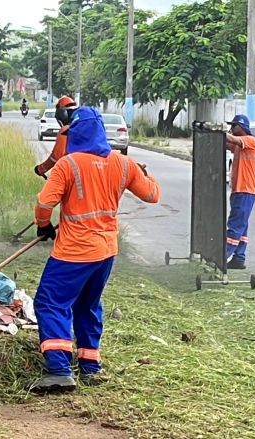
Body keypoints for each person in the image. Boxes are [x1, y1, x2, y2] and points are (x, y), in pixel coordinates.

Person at [30, 106, 161, 393]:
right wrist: (144, 175)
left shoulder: (68, 164)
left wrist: (43, 226)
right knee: (87, 304)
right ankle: (90, 365)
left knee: (50, 302)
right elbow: (152, 195)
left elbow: (43, 204)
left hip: (74, 252)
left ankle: (59, 369)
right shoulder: (123, 164)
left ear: (74, 132)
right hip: (105, 252)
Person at [224, 114, 255, 270]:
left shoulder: (250, 141)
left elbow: (232, 140)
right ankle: (239, 258)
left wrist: (217, 131)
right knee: (242, 226)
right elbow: (227, 144)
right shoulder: (240, 146)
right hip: (239, 190)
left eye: (234, 125)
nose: (232, 128)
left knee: (235, 226)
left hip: (245, 191)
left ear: (242, 127)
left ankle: (221, 257)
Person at [33, 96, 78, 177]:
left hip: (77, 171)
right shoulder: (88, 126)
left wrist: (40, 169)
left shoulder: (66, 130)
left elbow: (56, 156)